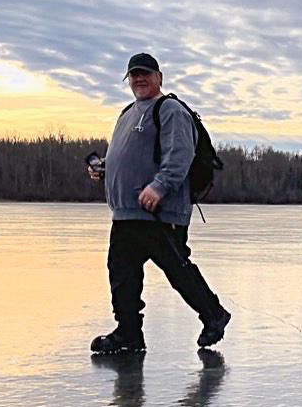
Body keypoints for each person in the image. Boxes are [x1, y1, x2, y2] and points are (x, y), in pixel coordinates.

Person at [88, 52, 230, 355]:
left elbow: (180, 155)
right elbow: (125, 156)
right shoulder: (128, 112)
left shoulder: (170, 110)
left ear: (159, 78)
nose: (139, 79)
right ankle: (128, 333)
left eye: (145, 74)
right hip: (127, 212)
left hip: (160, 212)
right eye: (134, 75)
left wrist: (159, 187)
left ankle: (214, 315)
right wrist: (104, 168)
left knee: (177, 269)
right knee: (121, 273)